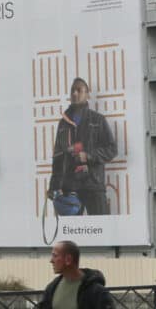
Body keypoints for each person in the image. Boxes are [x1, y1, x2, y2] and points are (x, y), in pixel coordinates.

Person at [48, 78, 117, 216]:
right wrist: (53, 186)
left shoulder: (98, 120)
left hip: (94, 185)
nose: (75, 93)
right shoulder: (63, 124)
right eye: (72, 90)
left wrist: (89, 156)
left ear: (87, 95)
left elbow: (112, 149)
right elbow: (58, 157)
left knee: (100, 230)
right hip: (70, 189)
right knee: (70, 232)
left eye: (79, 90)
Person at [40, 240, 114, 309]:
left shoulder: (97, 292)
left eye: (55, 256)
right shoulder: (51, 288)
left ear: (68, 260)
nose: (51, 260)